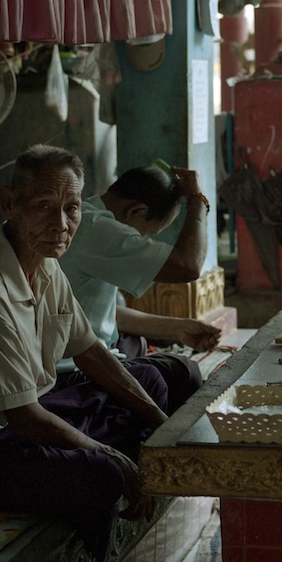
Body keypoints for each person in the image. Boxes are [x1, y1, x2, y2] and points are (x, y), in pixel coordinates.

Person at [0, 145, 182, 561]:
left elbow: (91, 353)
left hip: (36, 408)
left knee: (157, 378)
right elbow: (22, 417)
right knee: (104, 474)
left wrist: (166, 427)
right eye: (44, 206)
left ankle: (127, 460)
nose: (61, 224)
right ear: (9, 204)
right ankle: (121, 468)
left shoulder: (46, 264)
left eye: (72, 208)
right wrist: (113, 457)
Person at [58, 164, 220, 404]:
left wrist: (178, 328)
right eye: (149, 233)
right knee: (184, 371)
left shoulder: (90, 215)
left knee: (134, 342)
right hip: (72, 366)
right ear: (136, 211)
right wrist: (198, 200)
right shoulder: (98, 229)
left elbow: (96, 314)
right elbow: (188, 266)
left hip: (78, 339)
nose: (144, 240)